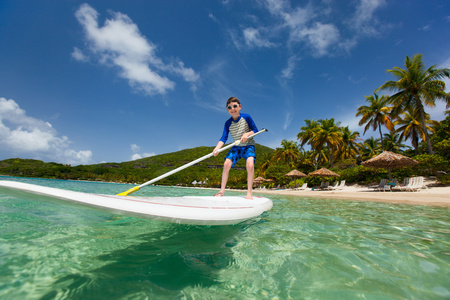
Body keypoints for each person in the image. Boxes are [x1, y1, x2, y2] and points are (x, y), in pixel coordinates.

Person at [213, 97, 258, 199]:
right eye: (229, 107)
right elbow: (224, 138)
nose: (232, 109)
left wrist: (247, 134)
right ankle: (222, 191)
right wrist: (217, 148)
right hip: (237, 146)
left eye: (235, 106)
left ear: (240, 107)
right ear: (227, 109)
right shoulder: (228, 123)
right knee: (226, 163)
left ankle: (249, 193)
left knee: (250, 164)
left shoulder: (246, 117)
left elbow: (255, 130)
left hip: (248, 145)